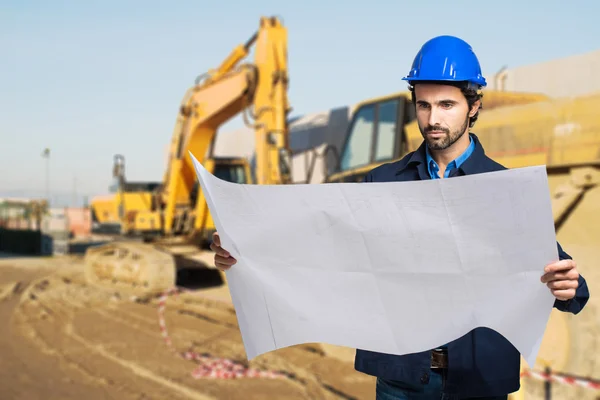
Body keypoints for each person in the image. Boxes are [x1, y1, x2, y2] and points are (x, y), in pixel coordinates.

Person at [209, 35, 590, 400]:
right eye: (423, 105)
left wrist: (567, 287)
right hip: (403, 381)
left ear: (473, 106)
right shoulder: (383, 182)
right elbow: (322, 248)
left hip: (480, 383)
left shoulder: (506, 189)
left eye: (446, 105)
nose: (432, 118)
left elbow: (568, 287)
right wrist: (245, 250)